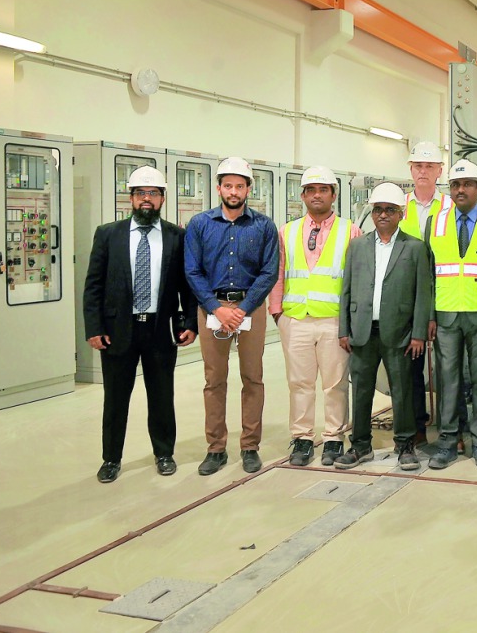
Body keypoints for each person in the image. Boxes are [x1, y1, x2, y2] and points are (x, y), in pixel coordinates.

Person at [83, 166, 197, 483]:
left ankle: (164, 454)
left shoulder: (177, 236)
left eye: (153, 193)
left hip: (160, 330)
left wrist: (189, 322)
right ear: (131, 198)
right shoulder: (108, 234)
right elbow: (93, 285)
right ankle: (111, 459)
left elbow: (186, 285)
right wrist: (94, 327)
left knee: (162, 397)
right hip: (118, 330)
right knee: (116, 399)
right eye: (140, 193)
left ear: (162, 198)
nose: (147, 199)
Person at [185, 157, 279, 476]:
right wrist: (217, 308)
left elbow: (269, 272)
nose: (234, 191)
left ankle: (250, 446)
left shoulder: (263, 225)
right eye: (228, 185)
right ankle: (216, 449)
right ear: (218, 188)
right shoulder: (200, 224)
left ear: (249, 188)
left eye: (240, 186)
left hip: (250, 310)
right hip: (212, 309)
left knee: (252, 378)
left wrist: (240, 309)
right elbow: (192, 270)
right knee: (214, 380)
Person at [334, 182, 432, 471]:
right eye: (378, 210)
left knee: (402, 390)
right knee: (361, 390)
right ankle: (361, 446)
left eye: (390, 210)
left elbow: (422, 294)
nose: (383, 215)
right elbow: (346, 290)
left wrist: (417, 334)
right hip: (362, 331)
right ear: (372, 214)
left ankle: (405, 446)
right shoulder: (357, 246)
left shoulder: (415, 248)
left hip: (399, 333)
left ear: (400, 214)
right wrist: (344, 329)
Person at [268, 165, 360, 467]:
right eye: (311, 190)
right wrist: (277, 312)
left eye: (323, 189)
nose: (316, 195)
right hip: (295, 319)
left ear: (333, 194)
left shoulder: (351, 231)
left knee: (335, 384)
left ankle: (334, 438)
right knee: (299, 383)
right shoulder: (288, 230)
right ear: (303, 195)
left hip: (334, 321)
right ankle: (302, 438)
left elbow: (356, 279)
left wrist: (349, 322)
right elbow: (278, 273)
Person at [424, 159, 477, 470]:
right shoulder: (435, 222)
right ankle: (447, 442)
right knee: (447, 381)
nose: (460, 190)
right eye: (455, 185)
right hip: (446, 315)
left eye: (467, 184)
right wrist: (430, 315)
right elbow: (429, 275)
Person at [399, 140, 451, 444]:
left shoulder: (449, 206)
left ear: (439, 171)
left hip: (442, 293)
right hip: (406, 299)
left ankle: (448, 428)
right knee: (411, 367)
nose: (423, 171)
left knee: (448, 369)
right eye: (418, 165)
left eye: (429, 166)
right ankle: (417, 427)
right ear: (410, 169)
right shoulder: (399, 206)